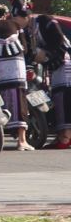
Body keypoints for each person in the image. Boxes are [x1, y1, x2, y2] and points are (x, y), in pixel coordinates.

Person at [0, 0, 33, 152]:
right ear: (5, 15)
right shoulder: (15, 26)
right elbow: (25, 47)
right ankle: (22, 141)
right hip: (17, 67)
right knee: (19, 100)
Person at [33, 15, 71, 150]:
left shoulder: (43, 24)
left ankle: (66, 136)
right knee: (58, 98)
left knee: (63, 99)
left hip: (64, 67)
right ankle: (62, 135)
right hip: (56, 69)